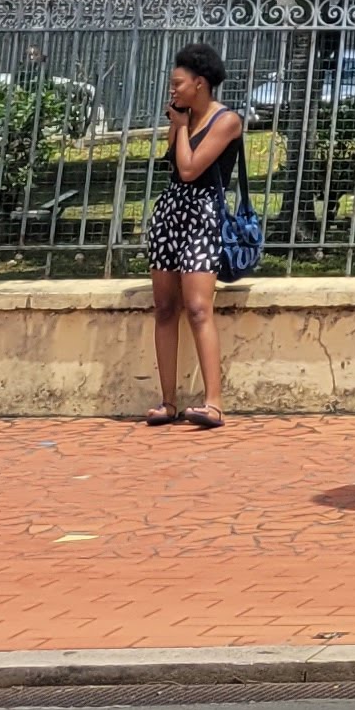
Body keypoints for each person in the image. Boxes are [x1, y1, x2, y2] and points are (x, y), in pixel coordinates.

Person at [144, 43, 246, 426]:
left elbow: (190, 169)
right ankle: (168, 401)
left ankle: (214, 402)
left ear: (199, 83)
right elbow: (172, 161)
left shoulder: (226, 121)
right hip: (172, 213)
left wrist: (184, 126)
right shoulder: (181, 118)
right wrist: (178, 124)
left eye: (178, 84)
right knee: (165, 308)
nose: (173, 90)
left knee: (199, 308)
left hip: (203, 214)